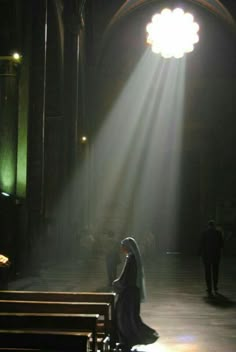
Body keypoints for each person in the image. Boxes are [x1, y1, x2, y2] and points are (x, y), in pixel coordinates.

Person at [112, 237, 159, 352]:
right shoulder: (131, 258)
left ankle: (129, 339)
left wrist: (116, 283)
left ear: (127, 247)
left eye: (123, 246)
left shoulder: (131, 259)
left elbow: (126, 278)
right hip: (131, 292)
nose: (121, 248)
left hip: (129, 293)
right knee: (129, 316)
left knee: (125, 316)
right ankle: (127, 339)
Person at [199, 220, 224, 296]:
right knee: (215, 272)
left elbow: (202, 244)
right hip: (216, 255)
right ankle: (215, 287)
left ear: (208, 225)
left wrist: (201, 254)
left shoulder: (204, 233)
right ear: (214, 225)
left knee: (207, 272)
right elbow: (222, 245)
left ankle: (209, 287)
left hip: (206, 256)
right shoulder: (218, 233)